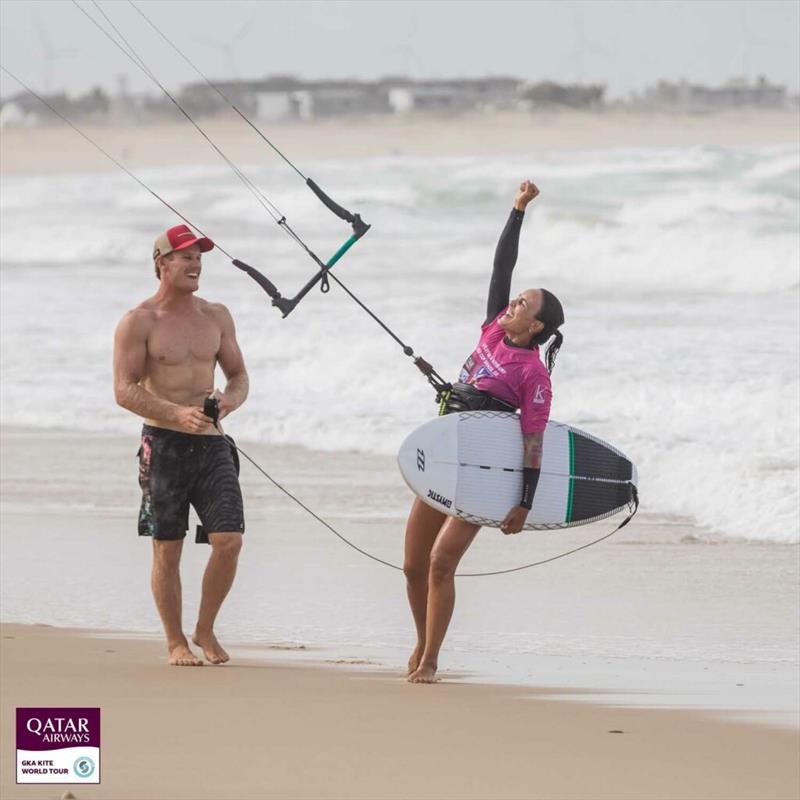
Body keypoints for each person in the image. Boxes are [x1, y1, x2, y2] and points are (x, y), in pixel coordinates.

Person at [404, 180, 565, 683]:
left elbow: (533, 439)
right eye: (514, 301)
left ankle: (431, 660)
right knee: (411, 565)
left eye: (522, 305)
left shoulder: (533, 375)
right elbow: (502, 267)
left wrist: (522, 502)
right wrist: (517, 210)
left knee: (439, 565)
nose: (511, 305)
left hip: (481, 474)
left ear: (535, 326)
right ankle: (421, 639)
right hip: (444, 455)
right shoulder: (494, 328)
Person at [113, 224, 249, 667]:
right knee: (167, 546)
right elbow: (124, 389)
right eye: (185, 256)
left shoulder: (216, 316)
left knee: (228, 539)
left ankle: (205, 628)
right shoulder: (139, 321)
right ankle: (175, 641)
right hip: (164, 445)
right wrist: (174, 413)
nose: (195, 265)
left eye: (199, 257)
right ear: (162, 263)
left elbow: (239, 377)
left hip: (212, 443)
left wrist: (229, 399)